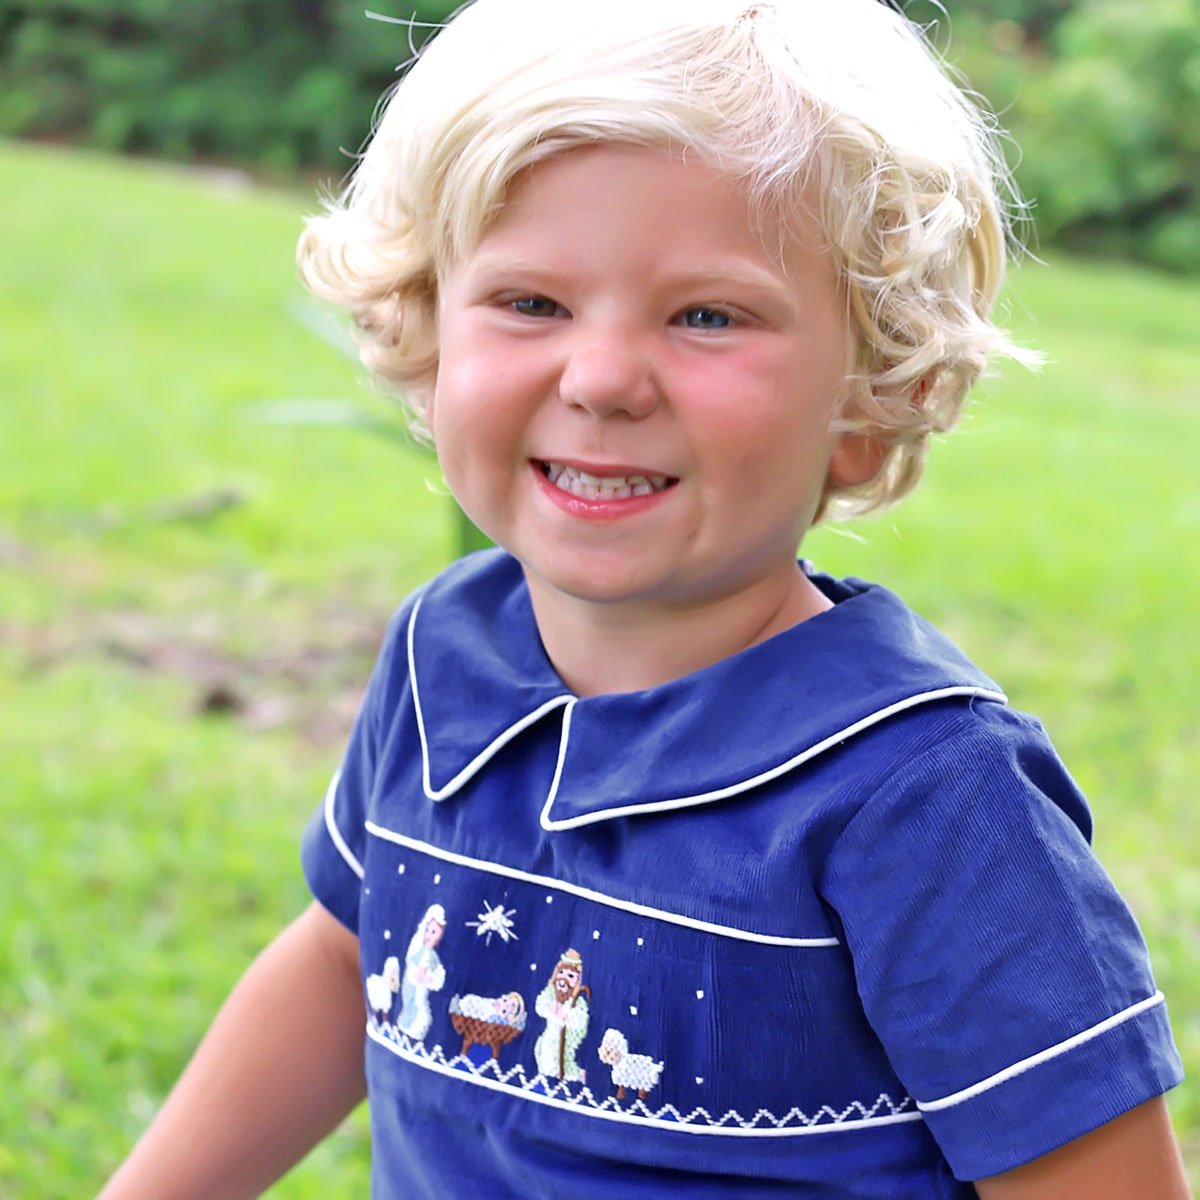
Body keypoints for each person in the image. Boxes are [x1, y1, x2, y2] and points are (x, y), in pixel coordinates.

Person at [97, 1, 1189, 1197]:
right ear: (426, 323)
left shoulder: (926, 797)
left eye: (706, 316)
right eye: (531, 303)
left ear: (868, 404)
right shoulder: (439, 660)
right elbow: (342, 956)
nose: (604, 378)